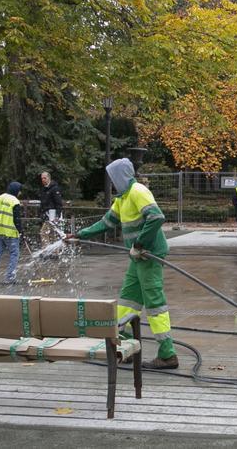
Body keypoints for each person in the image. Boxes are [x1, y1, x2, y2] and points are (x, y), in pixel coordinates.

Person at [66, 158, 178, 369]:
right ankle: (124, 347)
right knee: (128, 301)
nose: (111, 182)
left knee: (154, 303)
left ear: (121, 175)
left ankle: (167, 354)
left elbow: (156, 217)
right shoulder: (122, 199)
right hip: (137, 256)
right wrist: (80, 235)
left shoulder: (137, 191)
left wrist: (140, 243)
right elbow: (107, 222)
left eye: (113, 177)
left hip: (149, 254)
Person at [0, 181, 24, 286]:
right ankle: (10, 278)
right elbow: (17, 219)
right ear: (16, 190)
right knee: (14, 254)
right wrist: (21, 232)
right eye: (19, 190)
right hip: (11, 233)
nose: (20, 193)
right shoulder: (15, 201)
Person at [37, 171, 65, 250]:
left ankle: (47, 250)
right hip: (47, 214)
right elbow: (43, 203)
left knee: (44, 232)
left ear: (49, 178)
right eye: (42, 178)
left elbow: (58, 202)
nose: (43, 180)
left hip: (52, 214)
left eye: (44, 178)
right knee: (52, 233)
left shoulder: (54, 188)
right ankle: (54, 251)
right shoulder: (44, 189)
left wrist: (57, 215)